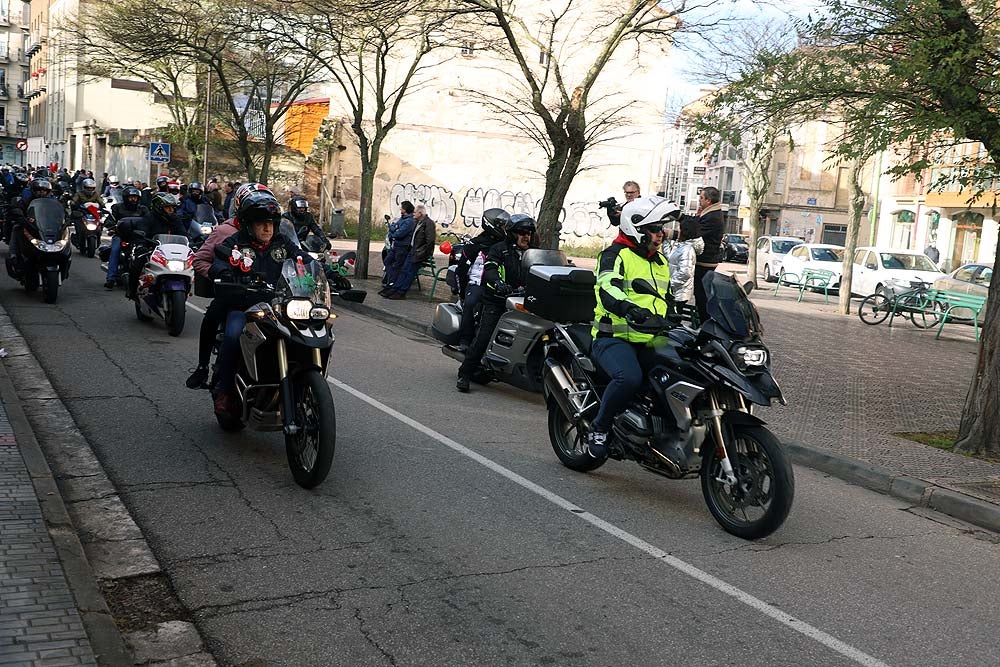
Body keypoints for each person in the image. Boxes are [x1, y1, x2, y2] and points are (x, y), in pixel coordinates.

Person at [585, 195, 677, 460]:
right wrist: (630, 309)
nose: (661, 235)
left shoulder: (661, 262)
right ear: (636, 228)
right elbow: (607, 288)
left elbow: (665, 298)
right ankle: (599, 428)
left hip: (650, 337)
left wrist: (683, 314)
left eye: (662, 229)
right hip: (613, 336)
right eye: (655, 229)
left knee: (680, 370)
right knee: (629, 377)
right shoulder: (615, 255)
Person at [206, 196, 312, 416]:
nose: (267, 228)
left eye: (271, 223)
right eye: (261, 223)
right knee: (233, 335)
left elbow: (301, 258)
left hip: (279, 306)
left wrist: (320, 268)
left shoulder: (282, 242)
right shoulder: (235, 243)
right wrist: (224, 272)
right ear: (248, 224)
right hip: (244, 306)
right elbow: (218, 262)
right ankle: (224, 390)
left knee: (303, 334)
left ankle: (304, 385)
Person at [187, 183, 275, 389]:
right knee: (221, 324)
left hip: (270, 297)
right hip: (235, 295)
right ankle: (204, 370)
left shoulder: (274, 231)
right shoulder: (226, 231)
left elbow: (294, 256)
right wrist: (221, 275)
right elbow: (200, 260)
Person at [456, 214, 537, 393]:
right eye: (522, 233)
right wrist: (499, 284)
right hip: (497, 300)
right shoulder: (499, 249)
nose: (526, 237)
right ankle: (465, 373)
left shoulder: (534, 253)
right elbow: (490, 268)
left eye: (529, 233)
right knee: (484, 337)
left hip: (523, 301)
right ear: (512, 233)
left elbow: (544, 268)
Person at [115, 193, 190, 297]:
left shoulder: (176, 220)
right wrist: (142, 245)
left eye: (173, 208)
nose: (171, 210)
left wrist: (190, 244)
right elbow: (141, 232)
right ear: (159, 207)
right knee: (137, 262)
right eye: (168, 207)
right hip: (152, 250)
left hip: (171, 252)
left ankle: (186, 288)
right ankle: (132, 290)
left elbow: (183, 234)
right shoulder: (149, 218)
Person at [455, 209, 510, 349]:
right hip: (478, 285)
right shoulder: (475, 245)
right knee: (471, 303)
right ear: (493, 225)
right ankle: (465, 341)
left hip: (499, 285)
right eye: (502, 226)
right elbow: (461, 270)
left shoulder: (506, 245)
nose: (505, 229)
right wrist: (462, 293)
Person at [383, 203, 436, 299]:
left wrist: (422, 252)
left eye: (415, 212)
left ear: (420, 213)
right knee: (404, 270)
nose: (413, 214)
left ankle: (401, 291)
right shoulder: (417, 222)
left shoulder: (428, 223)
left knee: (409, 272)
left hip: (418, 252)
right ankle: (395, 288)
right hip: (411, 250)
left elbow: (430, 241)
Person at [689, 186, 724, 324]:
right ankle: (702, 319)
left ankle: (704, 322)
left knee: (701, 294)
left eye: (701, 198)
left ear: (708, 200)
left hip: (705, 261)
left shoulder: (712, 216)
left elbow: (696, 232)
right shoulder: (709, 213)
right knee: (700, 293)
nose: (699, 200)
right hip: (706, 259)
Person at [666, 217, 704, 316]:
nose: (677, 230)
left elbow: (685, 273)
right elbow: (669, 258)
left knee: (672, 319)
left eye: (679, 228)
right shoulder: (680, 244)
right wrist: (665, 240)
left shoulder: (687, 250)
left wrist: (669, 285)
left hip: (679, 293)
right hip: (674, 291)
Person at [380, 201, 415, 293]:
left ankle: (393, 282)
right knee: (387, 261)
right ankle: (392, 279)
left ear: (405, 209)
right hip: (395, 246)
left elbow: (399, 233)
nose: (400, 209)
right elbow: (393, 227)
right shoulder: (402, 218)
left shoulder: (409, 221)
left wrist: (394, 229)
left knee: (397, 266)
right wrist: (394, 229)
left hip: (402, 247)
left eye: (402, 208)